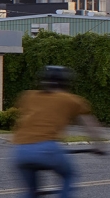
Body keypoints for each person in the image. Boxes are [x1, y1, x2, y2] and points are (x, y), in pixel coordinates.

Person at [11, 65, 105, 198]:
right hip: (48, 148)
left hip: (21, 150)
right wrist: (99, 146)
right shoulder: (71, 100)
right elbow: (90, 124)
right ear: (66, 82)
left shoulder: (28, 96)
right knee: (69, 175)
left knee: (30, 191)